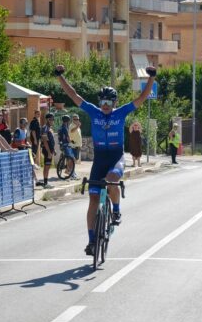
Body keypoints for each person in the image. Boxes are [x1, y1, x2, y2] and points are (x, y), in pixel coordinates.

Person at [55, 63, 156, 257]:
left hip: (116, 157)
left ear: (115, 103)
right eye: (103, 101)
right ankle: (92, 241)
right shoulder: (94, 112)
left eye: (109, 101)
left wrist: (151, 78)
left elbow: (142, 97)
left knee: (111, 180)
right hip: (99, 160)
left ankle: (116, 210)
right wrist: (60, 76)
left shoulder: (121, 112)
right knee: (93, 200)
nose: (106, 105)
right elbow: (73, 94)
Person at [40, 113, 56, 187]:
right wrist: (49, 152)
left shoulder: (50, 128)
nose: (52, 121)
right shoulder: (45, 128)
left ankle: (46, 183)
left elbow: (51, 141)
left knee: (48, 166)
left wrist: (53, 150)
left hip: (50, 150)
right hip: (47, 150)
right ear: (47, 120)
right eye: (51, 119)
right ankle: (45, 183)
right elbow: (45, 141)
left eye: (53, 119)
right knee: (46, 166)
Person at [58, 115, 77, 179]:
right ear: (67, 121)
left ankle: (69, 170)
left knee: (69, 159)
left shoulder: (60, 127)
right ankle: (71, 173)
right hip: (66, 145)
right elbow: (67, 137)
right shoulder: (65, 128)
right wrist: (71, 142)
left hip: (62, 145)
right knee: (72, 159)